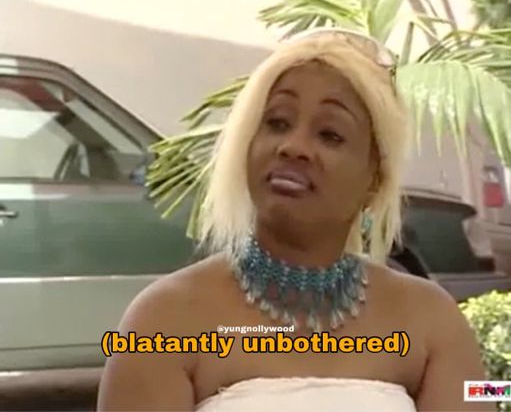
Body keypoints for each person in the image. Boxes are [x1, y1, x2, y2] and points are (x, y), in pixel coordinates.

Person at [97, 27, 492, 411]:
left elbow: (486, 394)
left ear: (374, 180)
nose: (293, 146)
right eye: (277, 122)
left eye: (330, 134)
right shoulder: (160, 320)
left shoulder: (435, 319)